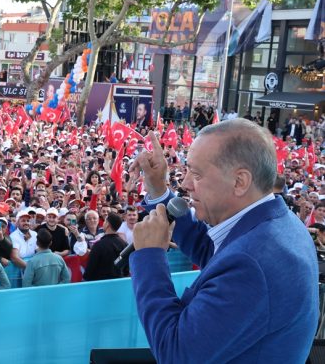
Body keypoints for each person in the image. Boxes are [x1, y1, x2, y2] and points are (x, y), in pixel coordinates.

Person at [129, 120, 318, 362]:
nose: (185, 184)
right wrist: (158, 190)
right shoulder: (277, 224)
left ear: (240, 182)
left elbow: (175, 354)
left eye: (196, 174)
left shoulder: (250, 265)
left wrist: (150, 258)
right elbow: (214, 253)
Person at [82, 213, 128, 281]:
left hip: (101, 285)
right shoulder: (125, 245)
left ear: (107, 224)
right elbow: (127, 270)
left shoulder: (98, 245)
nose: (103, 223)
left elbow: (89, 272)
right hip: (119, 284)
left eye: (105, 221)